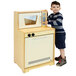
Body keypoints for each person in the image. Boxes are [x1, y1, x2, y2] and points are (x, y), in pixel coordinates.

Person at [47, 1, 67, 66]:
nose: (55, 8)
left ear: (60, 8)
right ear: (51, 8)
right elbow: (47, 19)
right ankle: (61, 56)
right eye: (54, 7)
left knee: (61, 47)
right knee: (58, 45)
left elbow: (57, 22)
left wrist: (48, 22)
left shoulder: (59, 15)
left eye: (57, 7)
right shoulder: (51, 15)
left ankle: (63, 59)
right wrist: (45, 14)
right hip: (55, 33)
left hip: (60, 33)